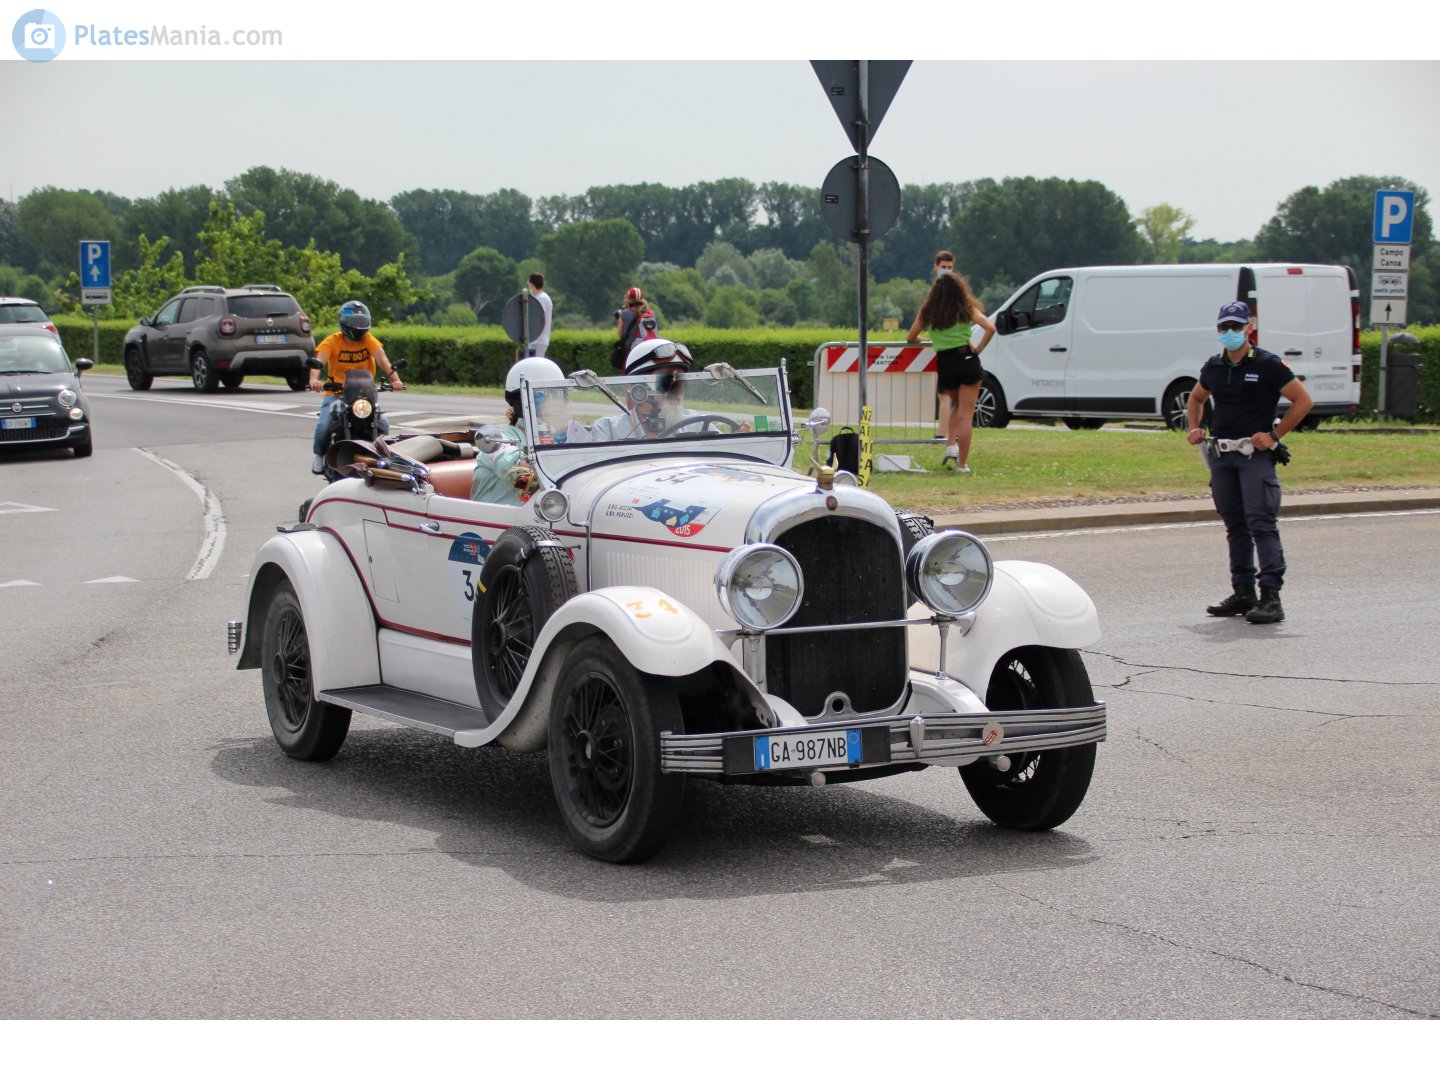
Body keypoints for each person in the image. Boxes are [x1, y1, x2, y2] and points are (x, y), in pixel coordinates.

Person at [1186, 300, 1313, 624]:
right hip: (1222, 456)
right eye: (1224, 327)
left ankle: (1271, 597)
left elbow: (1303, 400)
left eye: (1236, 326)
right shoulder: (1214, 366)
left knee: (1261, 523)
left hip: (1253, 456)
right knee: (1235, 526)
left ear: (1249, 328)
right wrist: (1194, 427)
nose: (1229, 332)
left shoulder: (1268, 364)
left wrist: (1275, 435)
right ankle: (1243, 592)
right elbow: (1196, 398)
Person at [907, 269, 995, 473]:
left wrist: (927, 340)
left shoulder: (928, 311)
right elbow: (990, 328)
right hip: (967, 359)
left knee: (955, 405)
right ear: (959, 289)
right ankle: (962, 464)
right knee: (966, 415)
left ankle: (951, 446)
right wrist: (979, 348)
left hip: (946, 363)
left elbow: (910, 337)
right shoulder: (966, 308)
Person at [309, 300, 404, 474]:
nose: (358, 327)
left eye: (361, 322)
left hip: (365, 394)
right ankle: (319, 455)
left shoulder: (369, 340)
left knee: (383, 423)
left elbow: (384, 361)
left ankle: (384, 457)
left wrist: (395, 380)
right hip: (337, 393)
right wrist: (314, 380)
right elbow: (318, 363)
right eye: (355, 323)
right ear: (344, 323)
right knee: (324, 425)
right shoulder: (332, 341)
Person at [469, 356, 564, 504]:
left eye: (557, 395)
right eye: (541, 396)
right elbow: (518, 473)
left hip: (546, 514)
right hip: (494, 517)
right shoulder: (500, 438)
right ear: (520, 400)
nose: (552, 404)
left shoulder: (560, 438)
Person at [588, 337, 694, 441]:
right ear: (639, 388)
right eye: (667, 380)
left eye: (681, 380)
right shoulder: (608, 429)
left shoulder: (697, 424)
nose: (679, 390)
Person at [931, 250, 956, 441]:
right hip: (954, 348)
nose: (946, 270)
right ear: (936, 266)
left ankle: (942, 434)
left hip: (947, 350)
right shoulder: (956, 291)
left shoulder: (940, 293)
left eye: (949, 267)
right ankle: (952, 436)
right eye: (944, 267)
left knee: (945, 396)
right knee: (950, 396)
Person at [614, 286, 658, 370]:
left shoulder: (624, 313)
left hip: (631, 350)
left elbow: (619, 334)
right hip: (650, 348)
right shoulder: (651, 313)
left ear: (628, 299)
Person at [524, 273, 552, 358]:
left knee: (535, 365)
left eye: (529, 282)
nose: (528, 283)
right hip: (537, 341)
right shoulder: (542, 297)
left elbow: (541, 318)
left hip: (538, 341)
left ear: (532, 284)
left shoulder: (540, 298)